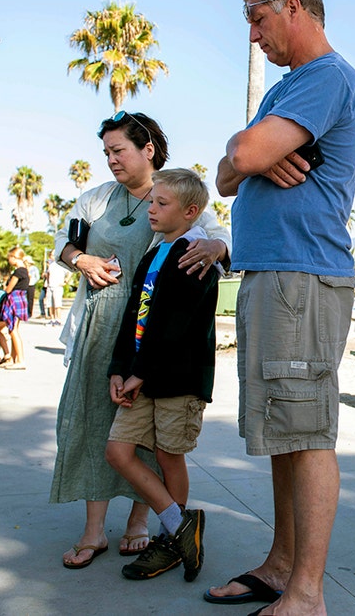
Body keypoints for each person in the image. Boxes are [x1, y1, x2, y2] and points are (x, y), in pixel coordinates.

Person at [201, 0, 355, 616]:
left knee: (308, 431)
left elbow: (240, 158)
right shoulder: (290, 90)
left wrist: (249, 155)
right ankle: (280, 565)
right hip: (274, 275)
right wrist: (246, 155)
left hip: (304, 276)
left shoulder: (327, 79)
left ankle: (307, 593)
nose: (252, 35)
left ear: (293, 6)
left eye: (256, 17)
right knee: (283, 429)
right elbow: (226, 173)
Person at [50, 111, 230, 571]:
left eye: (119, 150)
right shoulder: (95, 199)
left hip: (155, 344)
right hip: (101, 334)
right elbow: (63, 242)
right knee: (96, 424)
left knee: (150, 435)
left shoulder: (178, 199)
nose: (111, 159)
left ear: (147, 149)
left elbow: (218, 240)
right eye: (106, 152)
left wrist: (220, 247)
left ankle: (141, 523)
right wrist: (81, 259)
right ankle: (93, 530)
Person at [104, 168, 220, 582]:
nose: (151, 208)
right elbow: (133, 315)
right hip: (141, 376)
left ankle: (171, 543)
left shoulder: (195, 255)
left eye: (161, 203)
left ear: (191, 212)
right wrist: (120, 369)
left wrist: (140, 372)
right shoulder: (154, 253)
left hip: (178, 379)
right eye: (152, 201)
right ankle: (181, 525)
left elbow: (177, 325)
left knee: (171, 455)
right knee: (118, 451)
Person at [0, 247, 29, 370]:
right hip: (20, 301)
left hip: (14, 301)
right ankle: (13, 359)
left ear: (15, 258)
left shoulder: (18, 272)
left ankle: (20, 360)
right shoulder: (25, 271)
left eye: (10, 257)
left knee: (13, 331)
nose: (9, 260)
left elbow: (8, 289)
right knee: (14, 330)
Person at [46, 253, 69, 326]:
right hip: (50, 286)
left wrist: (66, 281)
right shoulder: (51, 265)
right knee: (50, 303)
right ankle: (52, 319)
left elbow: (69, 272)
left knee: (57, 303)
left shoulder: (61, 265)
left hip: (58, 286)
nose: (52, 257)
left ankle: (58, 319)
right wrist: (48, 282)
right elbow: (48, 274)